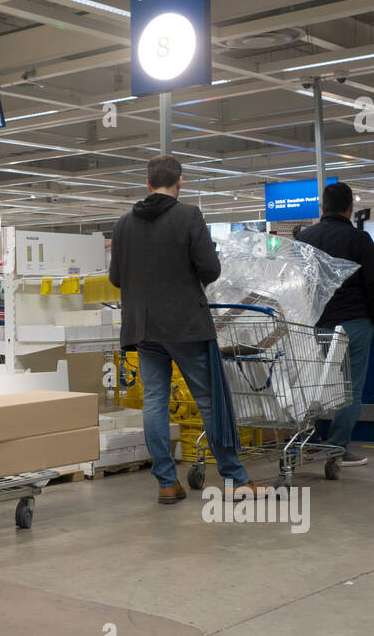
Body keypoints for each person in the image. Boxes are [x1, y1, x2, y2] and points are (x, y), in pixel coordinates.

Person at [109, 154, 264, 503]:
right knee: (210, 401)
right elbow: (210, 268)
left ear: (147, 184)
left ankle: (166, 481)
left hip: (142, 328)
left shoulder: (123, 224)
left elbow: (116, 278)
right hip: (186, 326)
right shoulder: (189, 216)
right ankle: (235, 479)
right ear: (181, 182)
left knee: (154, 401)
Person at [295, 182, 374, 466]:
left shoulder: (305, 238)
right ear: (350, 208)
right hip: (354, 323)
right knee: (350, 389)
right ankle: (337, 448)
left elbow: (298, 282)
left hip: (317, 324)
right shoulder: (359, 239)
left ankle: (309, 443)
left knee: (315, 385)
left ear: (322, 207)